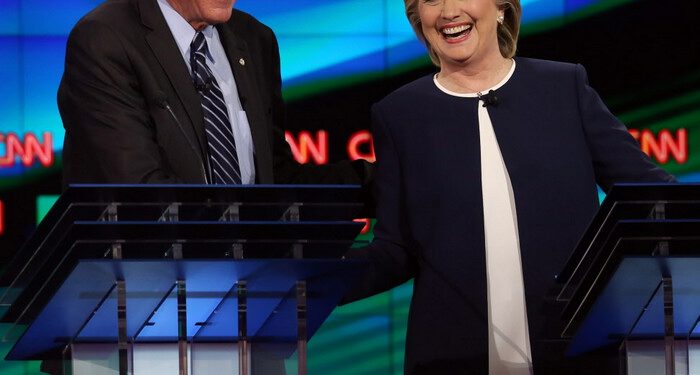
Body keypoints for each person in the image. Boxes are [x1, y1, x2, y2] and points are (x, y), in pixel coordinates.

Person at [343, 0, 674, 374]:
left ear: (501, 7)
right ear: (419, 17)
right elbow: (395, 249)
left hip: (576, 353)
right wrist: (311, 279)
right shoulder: (399, 114)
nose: (449, 12)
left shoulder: (564, 87)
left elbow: (652, 194)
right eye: (432, 0)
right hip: (451, 357)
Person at [58, 0, 372, 188]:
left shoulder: (255, 39)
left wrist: (384, 182)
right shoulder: (106, 40)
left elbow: (273, 181)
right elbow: (136, 190)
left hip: (250, 280)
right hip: (149, 283)